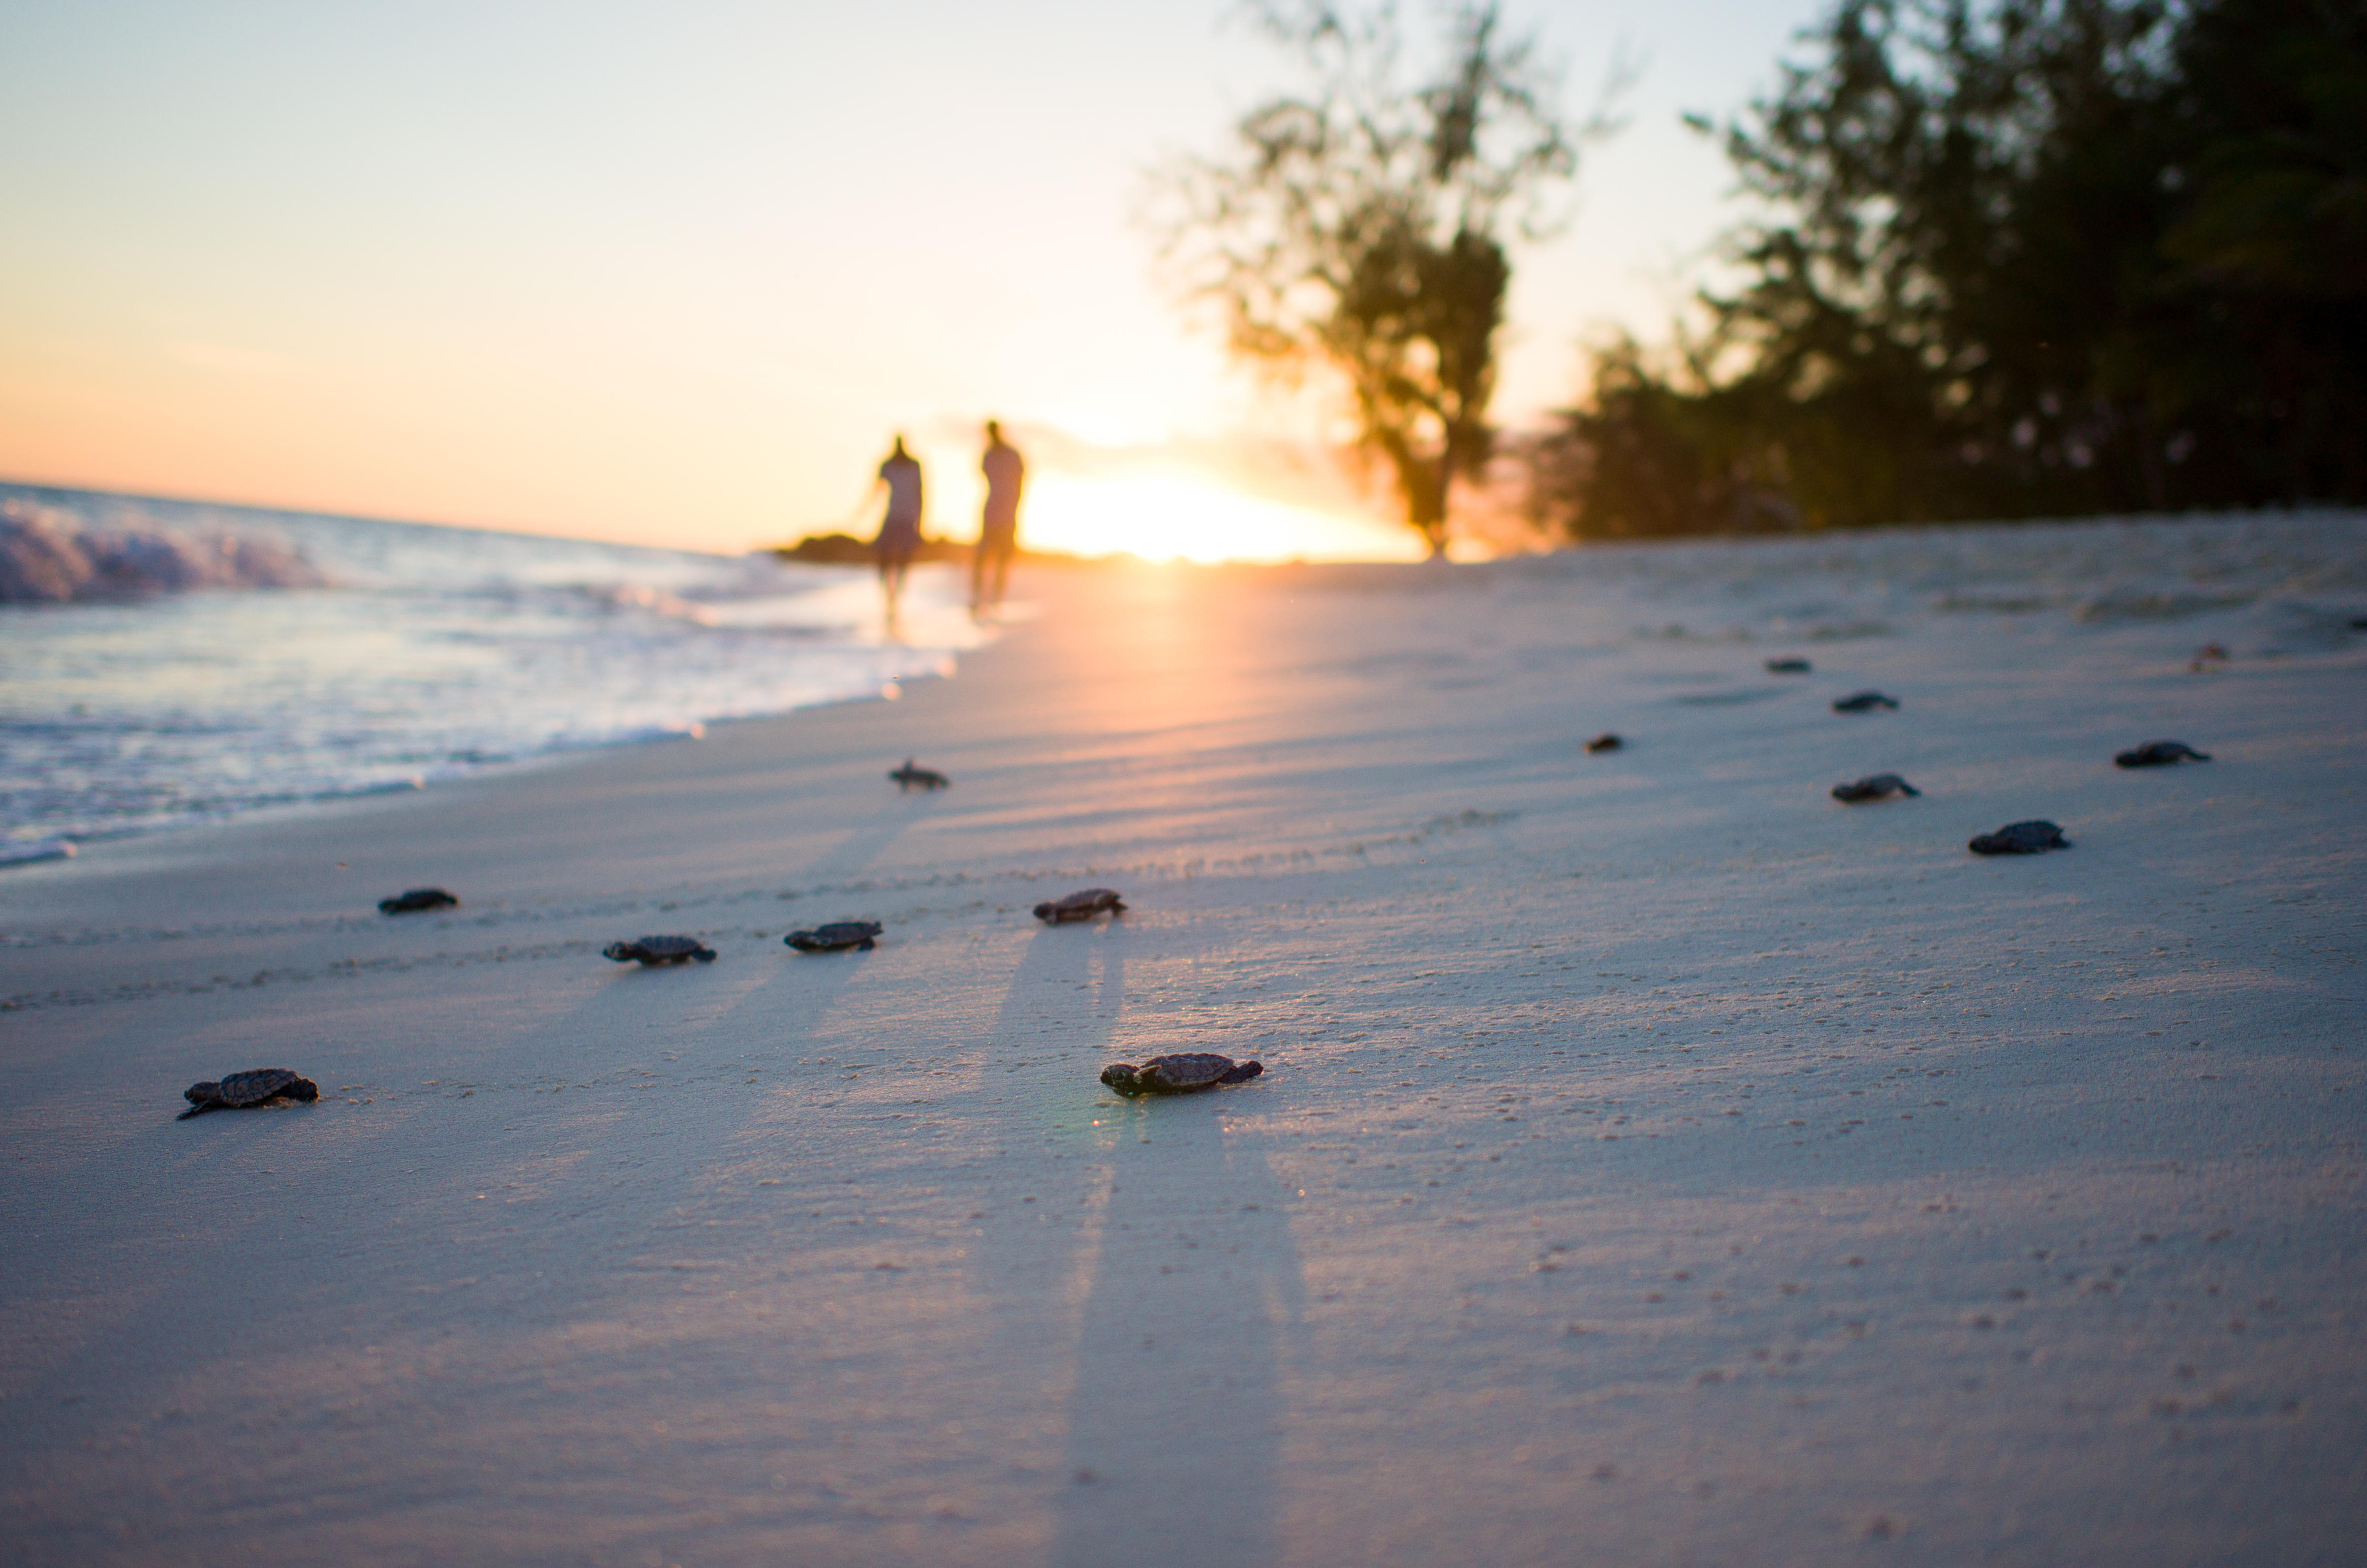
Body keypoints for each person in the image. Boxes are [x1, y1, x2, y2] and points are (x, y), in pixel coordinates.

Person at [869, 434, 924, 626]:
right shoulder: (887, 465)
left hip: (909, 518)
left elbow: (921, 493)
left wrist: (921, 523)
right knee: (882, 557)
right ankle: (889, 597)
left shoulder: (915, 465)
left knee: (904, 560)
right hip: (891, 516)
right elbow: (876, 489)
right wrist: (863, 510)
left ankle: (896, 598)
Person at [972, 419, 1025, 618]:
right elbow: (984, 477)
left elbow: (1021, 481)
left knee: (1003, 557)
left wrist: (1016, 508)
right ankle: (978, 597)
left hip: (1007, 512)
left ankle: (996, 599)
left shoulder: (1012, 455)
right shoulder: (987, 455)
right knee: (982, 556)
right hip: (991, 510)